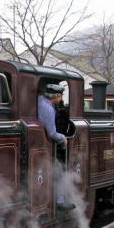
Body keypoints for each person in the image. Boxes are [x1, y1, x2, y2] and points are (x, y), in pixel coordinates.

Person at [37, 83, 75, 211]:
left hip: (37, 147)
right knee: (60, 172)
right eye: (61, 96)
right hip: (41, 148)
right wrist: (63, 138)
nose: (61, 98)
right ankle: (60, 201)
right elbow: (51, 133)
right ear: (57, 96)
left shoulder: (40, 100)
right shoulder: (48, 109)